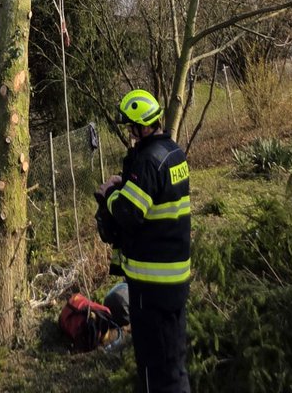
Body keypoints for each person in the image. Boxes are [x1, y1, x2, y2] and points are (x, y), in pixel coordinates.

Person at [95, 90, 191, 393]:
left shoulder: (148, 161)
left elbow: (128, 213)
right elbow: (154, 197)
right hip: (174, 279)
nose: (129, 132)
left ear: (143, 126)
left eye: (131, 127)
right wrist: (126, 184)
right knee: (173, 361)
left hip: (151, 286)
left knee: (155, 367)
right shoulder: (173, 153)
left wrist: (109, 192)